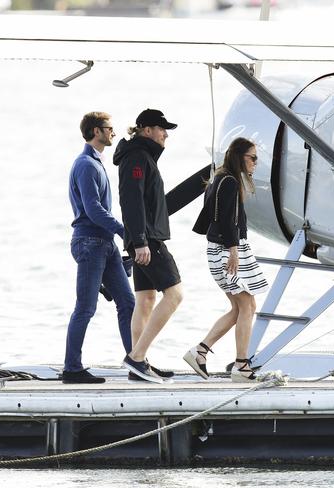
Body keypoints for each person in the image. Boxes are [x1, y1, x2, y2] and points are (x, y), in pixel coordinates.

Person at [187, 137, 269, 382]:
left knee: (239, 308)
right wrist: (233, 251)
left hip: (220, 248)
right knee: (248, 307)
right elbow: (226, 220)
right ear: (239, 157)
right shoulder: (230, 182)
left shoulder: (219, 177)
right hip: (228, 250)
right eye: (252, 158)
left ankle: (199, 352)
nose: (256, 163)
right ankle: (241, 366)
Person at [63, 111, 135, 384]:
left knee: (128, 303)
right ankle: (72, 368)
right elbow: (93, 210)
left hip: (105, 243)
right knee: (85, 307)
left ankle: (136, 362)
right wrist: (124, 231)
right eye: (109, 128)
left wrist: (118, 235)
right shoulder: (86, 165)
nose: (113, 133)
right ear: (96, 131)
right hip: (90, 242)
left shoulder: (97, 163)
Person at [113, 108, 182, 383]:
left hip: (145, 238)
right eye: (162, 128)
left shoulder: (142, 157)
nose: (166, 134)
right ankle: (137, 357)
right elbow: (131, 201)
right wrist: (140, 241)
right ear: (146, 130)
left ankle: (138, 365)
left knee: (146, 300)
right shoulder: (137, 158)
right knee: (175, 295)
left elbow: (156, 203)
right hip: (147, 241)